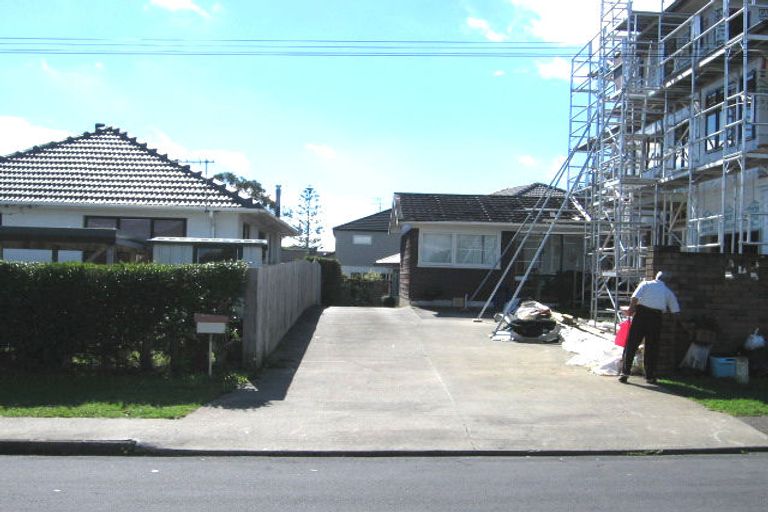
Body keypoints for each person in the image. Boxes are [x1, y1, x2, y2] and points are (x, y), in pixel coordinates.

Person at [619, 271, 680, 384]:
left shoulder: (645, 284)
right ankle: (650, 376)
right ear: (667, 281)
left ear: (656, 277)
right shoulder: (668, 292)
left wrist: (631, 310)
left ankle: (625, 373)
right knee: (652, 347)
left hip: (641, 315)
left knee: (632, 344)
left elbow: (634, 298)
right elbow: (676, 311)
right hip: (656, 318)